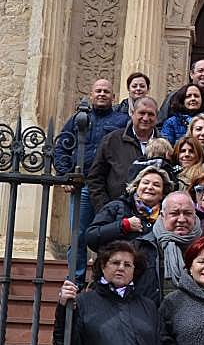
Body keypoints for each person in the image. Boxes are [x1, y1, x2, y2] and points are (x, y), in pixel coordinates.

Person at [54, 77, 127, 285]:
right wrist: (65, 174)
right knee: (79, 235)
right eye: (98, 91)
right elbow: (61, 146)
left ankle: (102, 280)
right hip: (83, 185)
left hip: (109, 189)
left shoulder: (121, 121)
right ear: (92, 94)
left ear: (113, 97)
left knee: (108, 235)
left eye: (106, 91)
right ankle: (75, 281)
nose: (102, 94)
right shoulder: (79, 118)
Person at [87, 96, 160, 212]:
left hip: (154, 216)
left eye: (150, 114)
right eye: (141, 113)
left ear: (156, 118)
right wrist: (105, 208)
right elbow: (95, 178)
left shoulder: (164, 145)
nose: (145, 118)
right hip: (117, 213)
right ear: (132, 113)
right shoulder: (112, 140)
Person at [86, 165, 174, 251]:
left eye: (156, 185)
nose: (150, 187)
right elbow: (92, 237)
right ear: (136, 187)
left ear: (163, 193)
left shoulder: (167, 215)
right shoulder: (116, 206)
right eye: (145, 183)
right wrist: (123, 226)